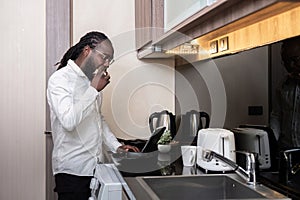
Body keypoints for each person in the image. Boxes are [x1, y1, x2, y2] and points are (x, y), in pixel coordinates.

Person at [47, 31, 139, 200]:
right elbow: (68, 121)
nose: (106, 64)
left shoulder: (89, 82)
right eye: (104, 57)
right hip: (72, 173)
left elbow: (97, 120)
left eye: (109, 60)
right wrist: (93, 90)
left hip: (95, 169)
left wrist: (116, 146)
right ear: (87, 50)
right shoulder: (60, 79)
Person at [271, 36, 300, 151]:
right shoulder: (283, 85)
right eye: (286, 62)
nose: (290, 66)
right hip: (287, 149)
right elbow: (276, 116)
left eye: (294, 59)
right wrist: (271, 141)